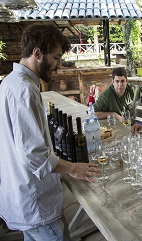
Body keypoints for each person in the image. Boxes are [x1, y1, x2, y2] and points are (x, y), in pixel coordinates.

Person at [0, 22, 100, 240]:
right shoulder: (25, 90)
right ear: (37, 53)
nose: (58, 64)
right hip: (36, 202)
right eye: (55, 57)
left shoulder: (10, 82)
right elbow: (34, 155)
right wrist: (73, 169)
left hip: (22, 196)